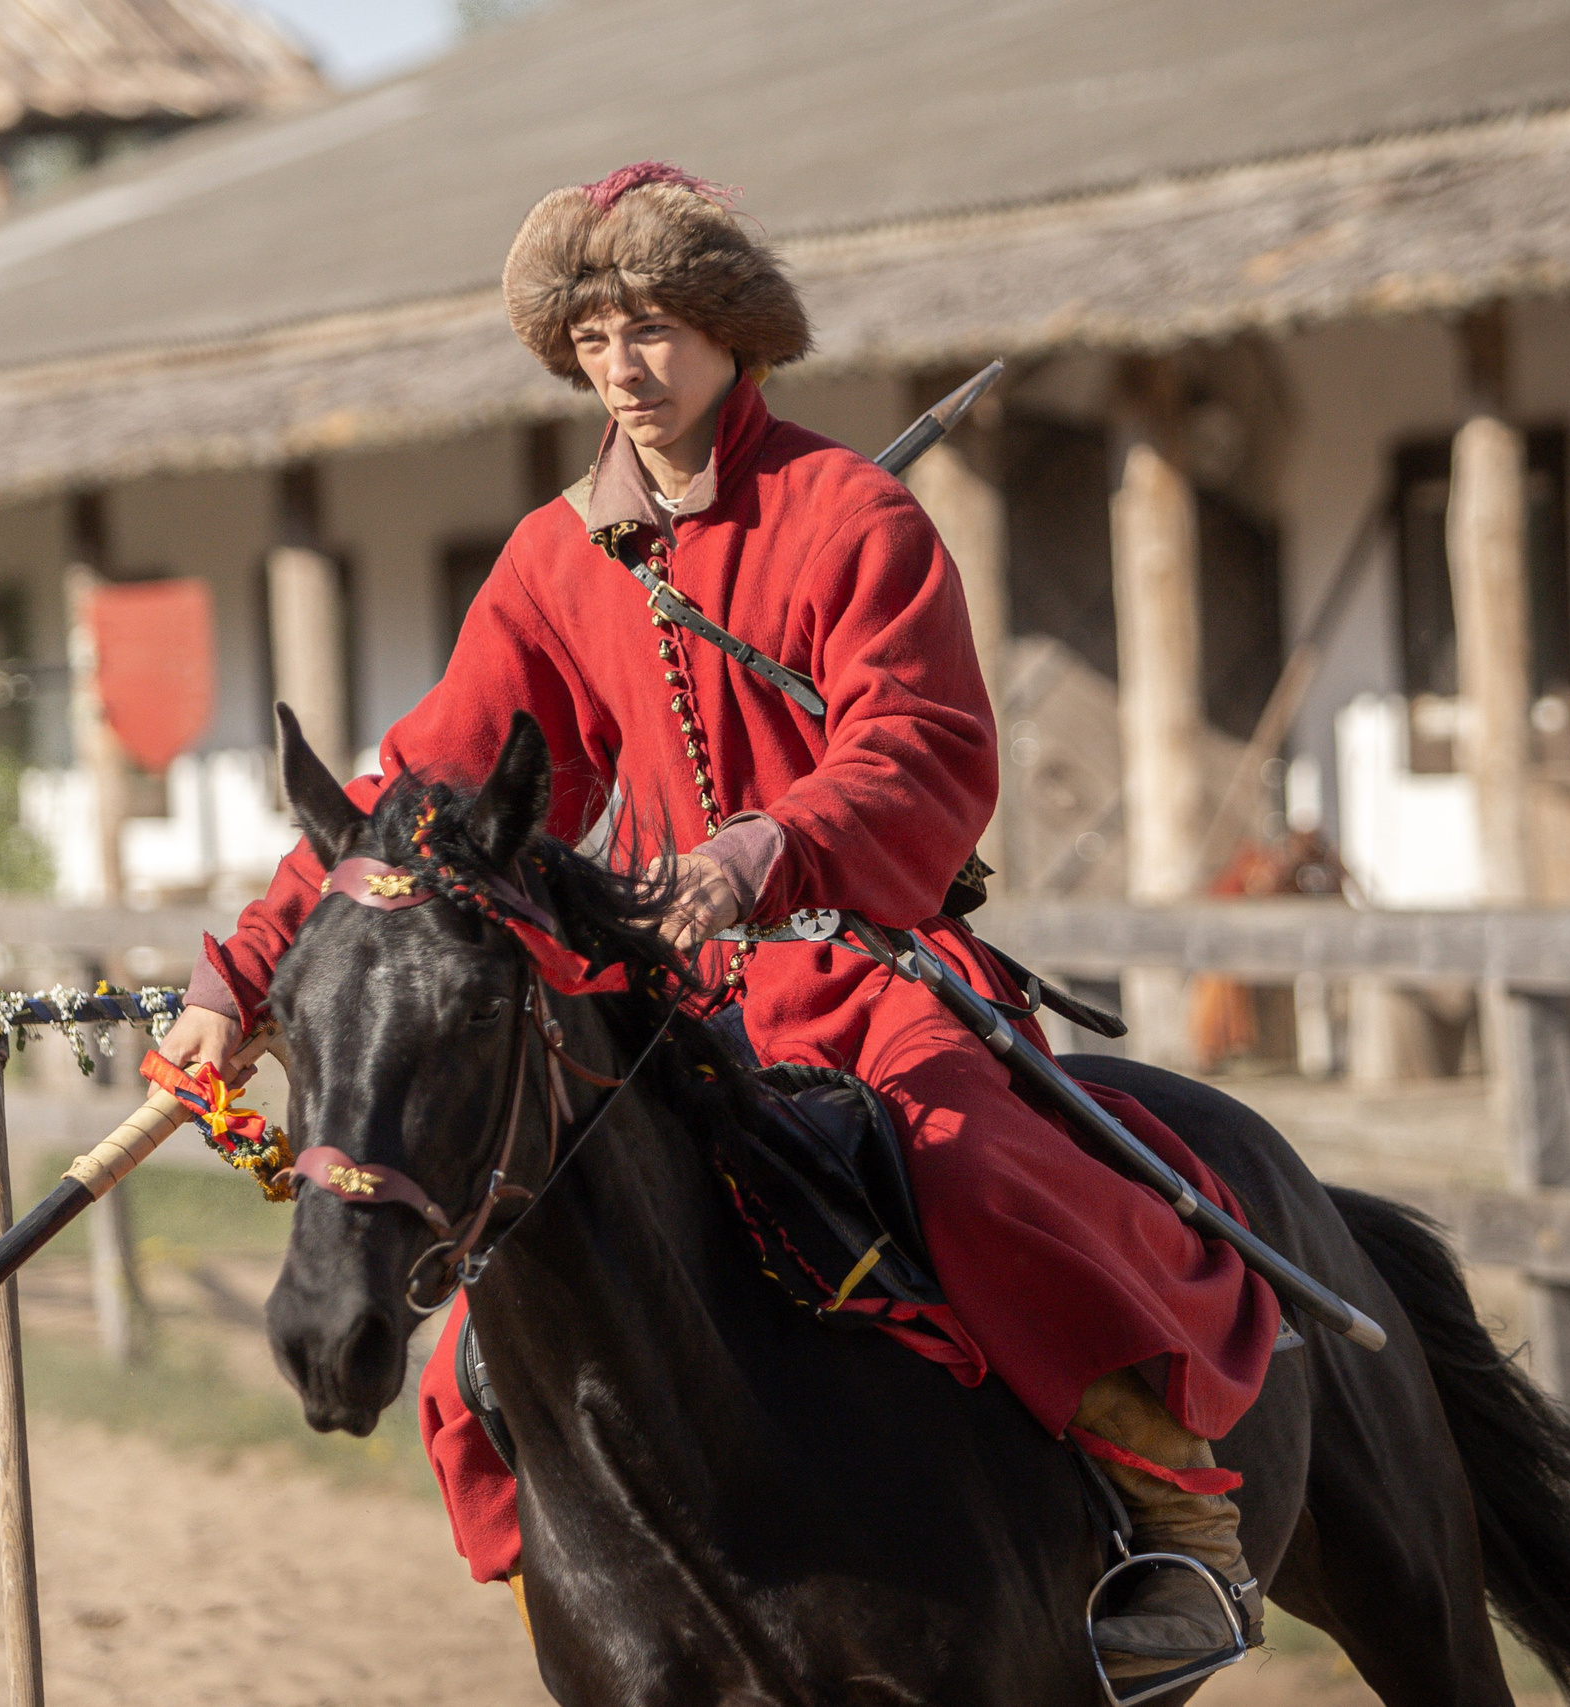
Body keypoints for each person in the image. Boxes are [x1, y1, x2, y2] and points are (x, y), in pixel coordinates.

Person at [157, 161, 1278, 1681]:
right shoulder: (556, 560)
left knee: (997, 1187)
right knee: (496, 1316)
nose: (625, 368)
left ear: (734, 334)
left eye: (657, 329)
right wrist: (241, 975)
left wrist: (767, 849)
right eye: (597, 336)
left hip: (863, 965)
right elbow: (422, 787)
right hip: (667, 1005)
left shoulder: (851, 516)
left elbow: (925, 749)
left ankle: (1172, 1516)